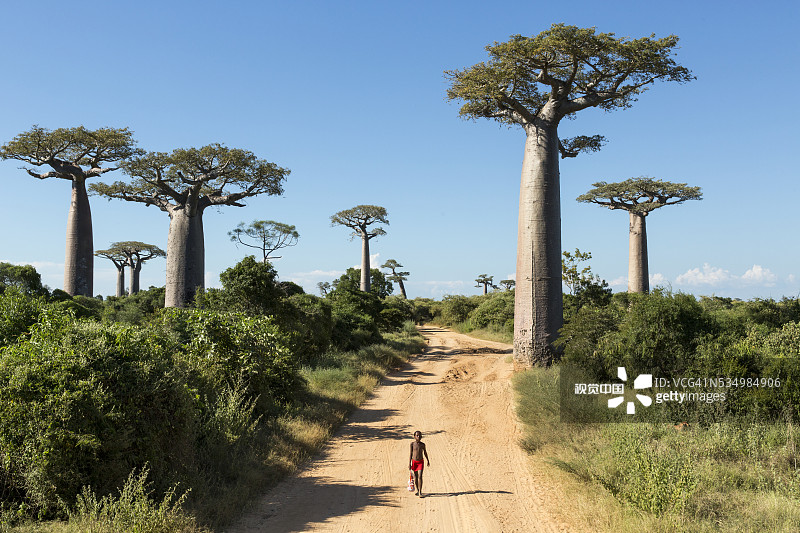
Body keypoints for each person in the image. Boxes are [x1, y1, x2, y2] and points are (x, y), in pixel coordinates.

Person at [408, 430, 430, 497]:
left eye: (420, 435)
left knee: (420, 476)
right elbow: (411, 454)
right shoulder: (412, 444)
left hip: (420, 462)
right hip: (414, 462)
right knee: (416, 477)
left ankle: (420, 492)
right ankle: (418, 490)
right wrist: (409, 463)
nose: (418, 437)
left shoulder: (423, 445)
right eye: (417, 435)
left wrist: (428, 460)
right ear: (414, 436)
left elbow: (425, 452)